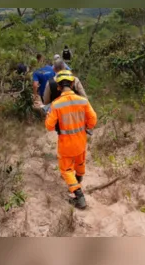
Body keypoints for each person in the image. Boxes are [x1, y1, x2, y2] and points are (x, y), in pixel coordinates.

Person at [45, 73, 97, 209]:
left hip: (66, 144)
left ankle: (79, 196)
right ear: (73, 85)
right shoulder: (83, 101)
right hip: (81, 141)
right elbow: (93, 119)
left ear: (58, 87)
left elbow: (49, 126)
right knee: (80, 163)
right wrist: (86, 127)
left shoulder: (56, 105)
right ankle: (78, 181)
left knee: (66, 170)